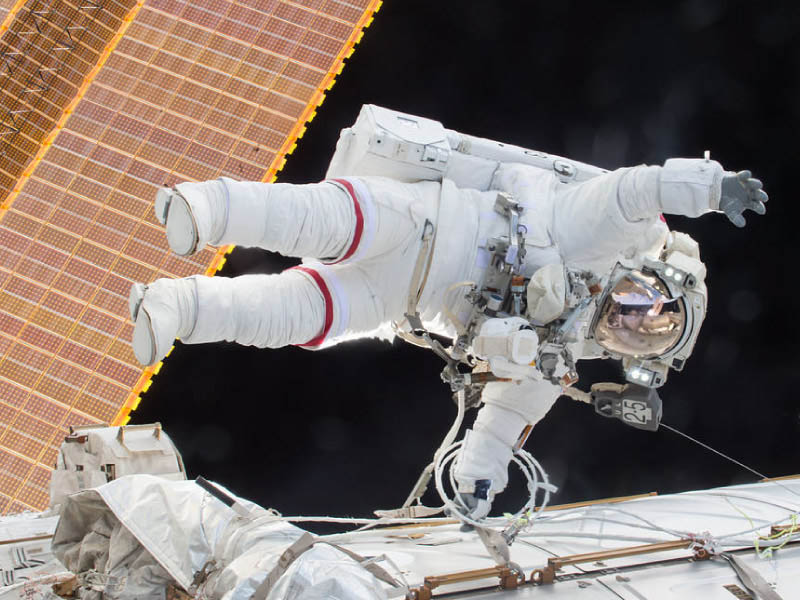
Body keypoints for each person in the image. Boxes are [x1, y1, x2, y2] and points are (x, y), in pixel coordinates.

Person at [129, 147, 767, 521]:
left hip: (403, 300)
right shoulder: (595, 231)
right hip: (428, 224)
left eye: (643, 337)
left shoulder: (558, 354)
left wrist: (476, 480)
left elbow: (506, 416)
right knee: (314, 219)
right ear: (646, 273)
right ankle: (204, 208)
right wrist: (713, 187)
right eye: (645, 307)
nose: (628, 323)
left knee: (297, 316)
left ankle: (173, 310)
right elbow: (637, 187)